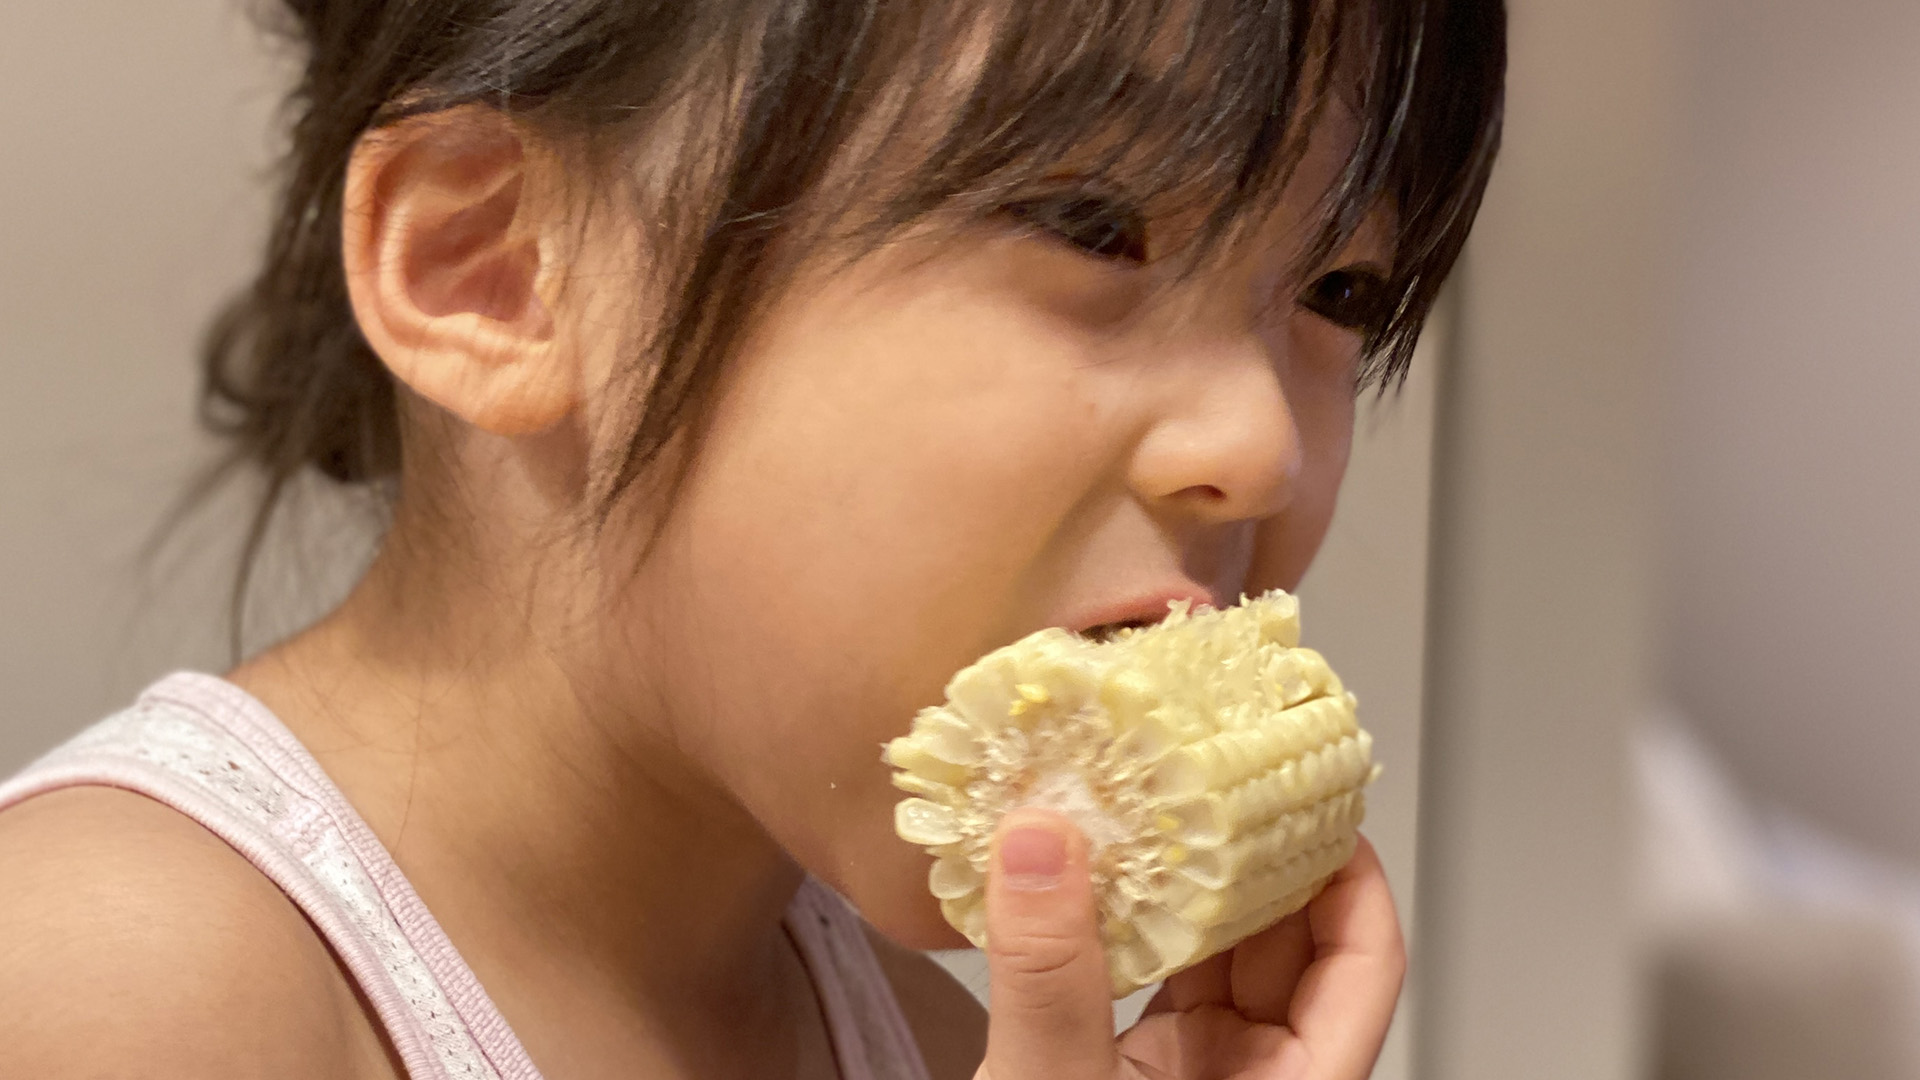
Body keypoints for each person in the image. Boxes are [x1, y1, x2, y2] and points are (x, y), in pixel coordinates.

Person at [0, 1, 1504, 1077]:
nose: (1262, 443)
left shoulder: (929, 1039)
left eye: (1341, 294)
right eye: (1091, 220)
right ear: (496, 268)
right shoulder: (116, 982)